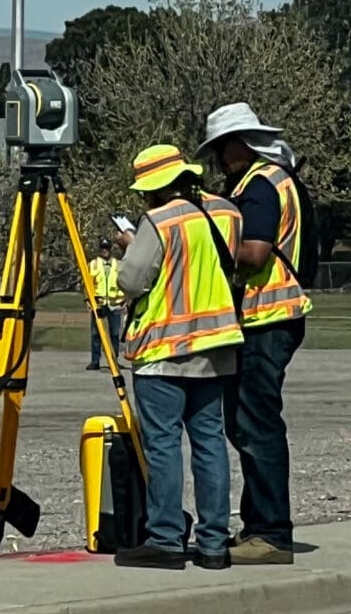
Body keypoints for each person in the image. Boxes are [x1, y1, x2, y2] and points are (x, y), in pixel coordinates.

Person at [112, 144, 243, 571]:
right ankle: (213, 544)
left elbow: (132, 280)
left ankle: (166, 540)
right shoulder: (227, 213)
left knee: (164, 443)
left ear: (154, 188)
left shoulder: (160, 220)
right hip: (215, 347)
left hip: (164, 349)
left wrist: (132, 246)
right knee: (209, 442)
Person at [196, 102, 312, 565]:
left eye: (222, 148)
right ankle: (259, 526)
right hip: (272, 317)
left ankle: (271, 533)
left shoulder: (261, 185)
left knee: (255, 425)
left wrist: (211, 243)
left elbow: (256, 251)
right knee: (247, 424)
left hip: (268, 317)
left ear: (241, 143)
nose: (220, 159)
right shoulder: (274, 178)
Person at [86, 239, 124, 371]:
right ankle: (95, 361)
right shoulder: (93, 264)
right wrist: (88, 300)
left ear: (111, 249)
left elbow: (123, 282)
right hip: (99, 303)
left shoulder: (118, 264)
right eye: (103, 247)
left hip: (115, 304)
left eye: (107, 247)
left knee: (114, 334)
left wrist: (125, 300)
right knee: (96, 334)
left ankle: (114, 361)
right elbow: (88, 283)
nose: (105, 250)